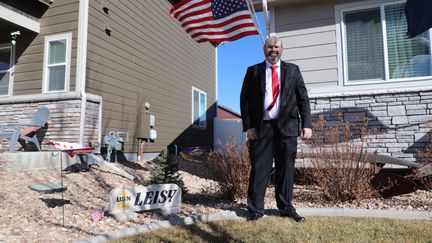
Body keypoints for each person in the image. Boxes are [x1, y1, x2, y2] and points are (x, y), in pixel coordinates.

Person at [240, 35, 312, 222]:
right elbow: (245, 101)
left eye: (277, 47)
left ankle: (286, 208)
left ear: (282, 49)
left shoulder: (293, 70)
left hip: (287, 128)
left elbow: (303, 99)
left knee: (286, 169)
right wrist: (248, 127)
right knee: (260, 169)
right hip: (262, 129)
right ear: (265, 49)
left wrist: (307, 124)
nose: (273, 50)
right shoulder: (253, 71)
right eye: (270, 47)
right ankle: (256, 210)